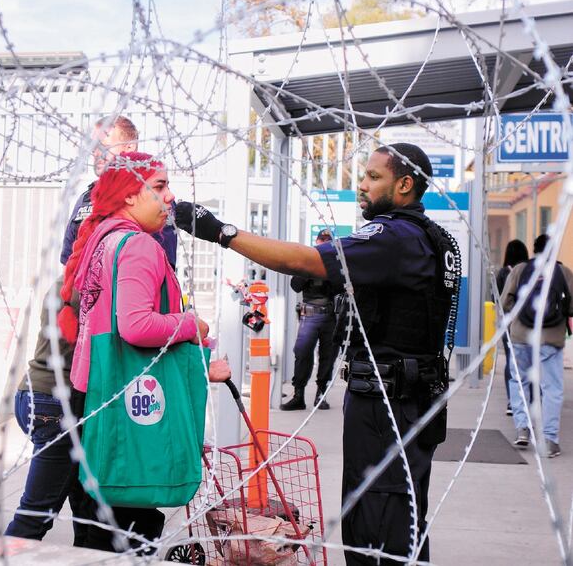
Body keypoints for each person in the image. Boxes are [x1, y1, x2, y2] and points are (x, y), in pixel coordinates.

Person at [176, 142, 459, 565]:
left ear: (404, 185)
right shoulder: (437, 238)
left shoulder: (394, 237)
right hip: (413, 396)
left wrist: (223, 233)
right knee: (403, 516)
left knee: (375, 525)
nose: (362, 185)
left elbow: (307, 261)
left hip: (388, 403)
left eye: (373, 177)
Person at [58, 151, 230, 553]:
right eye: (159, 186)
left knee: (98, 522)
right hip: (129, 399)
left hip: (97, 392)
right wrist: (193, 325)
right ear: (129, 197)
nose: (170, 197)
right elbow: (134, 326)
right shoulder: (138, 246)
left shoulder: (102, 240)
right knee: (128, 525)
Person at [5, 279, 87, 544]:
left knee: (85, 505)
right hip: (56, 404)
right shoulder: (92, 287)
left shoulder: (64, 283)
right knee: (36, 513)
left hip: (33, 394)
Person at [60, 114, 177, 268]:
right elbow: (69, 264)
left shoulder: (154, 198)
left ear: (129, 146)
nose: (96, 153)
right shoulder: (87, 199)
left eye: (103, 146)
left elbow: (163, 267)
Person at [501, 234, 573, 457]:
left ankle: (522, 429)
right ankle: (550, 440)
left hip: (522, 335)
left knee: (519, 381)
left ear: (534, 250)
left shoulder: (521, 270)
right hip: (551, 338)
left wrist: (517, 318)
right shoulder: (564, 272)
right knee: (552, 388)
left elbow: (505, 302)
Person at [281, 229, 338, 411]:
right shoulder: (307, 262)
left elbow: (341, 287)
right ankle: (299, 395)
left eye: (326, 242)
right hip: (310, 315)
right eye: (321, 242)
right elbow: (295, 286)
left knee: (328, 356)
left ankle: (321, 395)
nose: (323, 245)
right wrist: (310, 268)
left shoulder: (336, 263)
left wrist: (328, 268)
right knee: (303, 354)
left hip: (329, 316)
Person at [496, 239, 529, 416]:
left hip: (508, 322)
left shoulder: (503, 273)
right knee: (528, 361)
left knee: (511, 360)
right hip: (527, 322)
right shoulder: (529, 271)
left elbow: (499, 299)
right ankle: (528, 398)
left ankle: (512, 401)